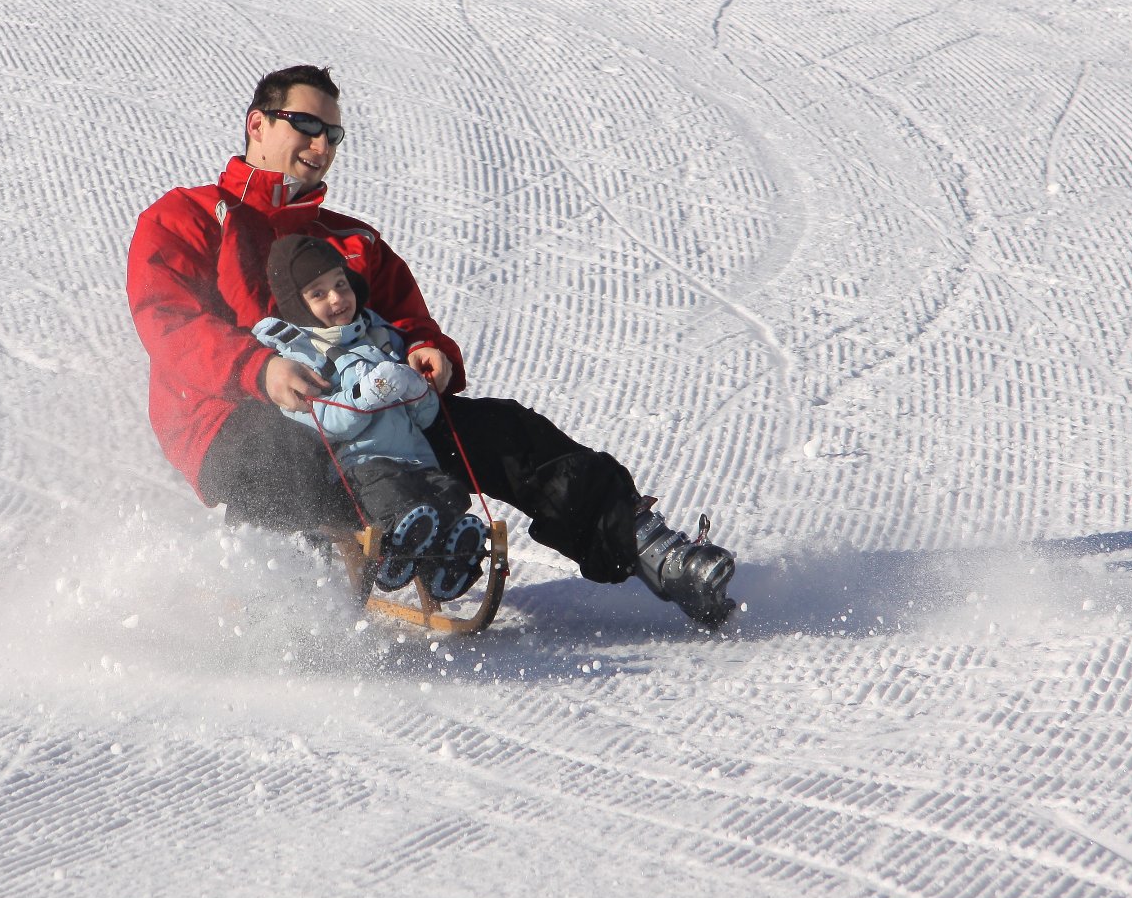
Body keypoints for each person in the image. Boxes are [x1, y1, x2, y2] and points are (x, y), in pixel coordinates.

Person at [126, 64, 737, 626]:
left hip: (371, 416)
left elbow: (410, 322)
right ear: (258, 124)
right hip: (235, 417)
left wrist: (428, 353)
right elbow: (167, 319)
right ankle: (294, 608)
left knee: (506, 432)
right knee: (281, 458)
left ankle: (646, 546)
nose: (321, 145)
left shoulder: (351, 241)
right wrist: (259, 369)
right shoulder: (191, 217)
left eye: (333, 135)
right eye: (307, 125)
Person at [252, 233, 489, 601]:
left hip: (416, 458)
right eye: (319, 293)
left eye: (340, 284)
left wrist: (417, 390)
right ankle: (393, 555)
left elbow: (424, 417)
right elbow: (326, 421)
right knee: (398, 501)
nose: (336, 298)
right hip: (362, 465)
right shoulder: (299, 358)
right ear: (298, 305)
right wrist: (371, 393)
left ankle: (447, 565)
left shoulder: (378, 335)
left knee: (448, 494)